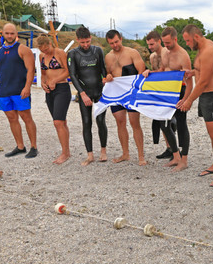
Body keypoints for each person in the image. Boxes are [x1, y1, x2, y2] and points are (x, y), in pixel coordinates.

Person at [0, 23, 38, 158]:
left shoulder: (23, 49)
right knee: (12, 118)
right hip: (5, 91)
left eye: (12, 33)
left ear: (16, 34)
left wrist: (27, 87)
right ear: (3, 34)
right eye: (7, 33)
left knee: (26, 117)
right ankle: (20, 146)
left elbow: (31, 70)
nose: (10, 36)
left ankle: (34, 147)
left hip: (20, 90)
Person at [180, 25, 213, 186]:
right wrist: (193, 72)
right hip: (207, 96)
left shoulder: (207, 51)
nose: (187, 44)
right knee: (211, 135)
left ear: (196, 37)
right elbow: (204, 72)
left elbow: (204, 82)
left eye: (188, 40)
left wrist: (189, 100)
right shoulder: (204, 46)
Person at [104, 30, 147, 166]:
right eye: (111, 43)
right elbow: (107, 74)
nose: (115, 45)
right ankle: (125, 153)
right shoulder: (108, 57)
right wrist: (108, 77)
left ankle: (141, 155)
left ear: (121, 39)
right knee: (120, 122)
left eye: (116, 41)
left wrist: (137, 91)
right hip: (117, 93)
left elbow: (141, 71)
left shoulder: (132, 53)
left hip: (131, 92)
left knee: (135, 123)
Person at [68, 26, 108, 166]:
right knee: (86, 122)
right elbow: (72, 75)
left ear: (90, 38)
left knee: (101, 121)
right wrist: (82, 93)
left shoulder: (97, 50)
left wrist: (105, 77)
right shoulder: (73, 54)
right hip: (85, 92)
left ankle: (103, 150)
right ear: (77, 40)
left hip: (99, 90)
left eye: (88, 42)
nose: (85, 45)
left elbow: (103, 68)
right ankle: (90, 155)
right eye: (82, 42)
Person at [160, 26, 193, 171]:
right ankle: (175, 156)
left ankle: (184, 160)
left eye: (168, 43)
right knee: (163, 123)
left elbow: (190, 81)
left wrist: (187, 100)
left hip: (180, 91)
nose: (166, 46)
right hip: (167, 91)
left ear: (175, 39)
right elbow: (162, 71)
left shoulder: (183, 55)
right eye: (164, 43)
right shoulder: (165, 53)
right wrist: (149, 72)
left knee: (181, 124)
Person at [37, 34, 71, 164]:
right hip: (49, 90)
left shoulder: (60, 52)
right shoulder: (42, 56)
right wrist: (43, 82)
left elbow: (68, 71)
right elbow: (43, 72)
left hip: (62, 88)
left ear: (51, 44)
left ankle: (64, 153)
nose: (45, 51)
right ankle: (66, 151)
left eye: (47, 49)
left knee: (57, 122)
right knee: (61, 122)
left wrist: (55, 80)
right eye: (42, 50)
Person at [144, 30, 177, 163]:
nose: (150, 47)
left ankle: (175, 149)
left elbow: (164, 72)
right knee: (160, 120)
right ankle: (169, 147)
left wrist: (151, 72)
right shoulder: (152, 57)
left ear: (159, 41)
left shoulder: (166, 52)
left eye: (152, 44)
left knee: (170, 121)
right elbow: (156, 74)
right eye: (149, 45)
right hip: (159, 92)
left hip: (169, 91)